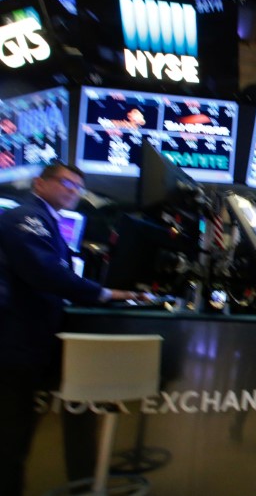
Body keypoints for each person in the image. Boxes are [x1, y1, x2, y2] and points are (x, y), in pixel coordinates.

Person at [0, 161, 146, 496]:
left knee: (15, 437)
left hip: (24, 344)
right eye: (67, 183)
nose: (74, 191)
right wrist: (104, 293)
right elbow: (44, 272)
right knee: (9, 441)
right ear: (40, 184)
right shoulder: (27, 217)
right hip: (12, 344)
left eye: (78, 186)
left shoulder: (46, 220)